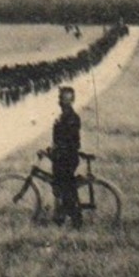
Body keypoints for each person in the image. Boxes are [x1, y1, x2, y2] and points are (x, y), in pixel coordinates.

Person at [49, 85, 83, 229]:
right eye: (60, 99)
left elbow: (69, 141)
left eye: (62, 99)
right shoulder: (66, 116)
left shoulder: (70, 118)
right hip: (64, 156)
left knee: (66, 188)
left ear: (70, 101)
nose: (60, 102)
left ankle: (75, 220)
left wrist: (56, 150)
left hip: (67, 158)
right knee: (61, 187)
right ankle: (61, 217)